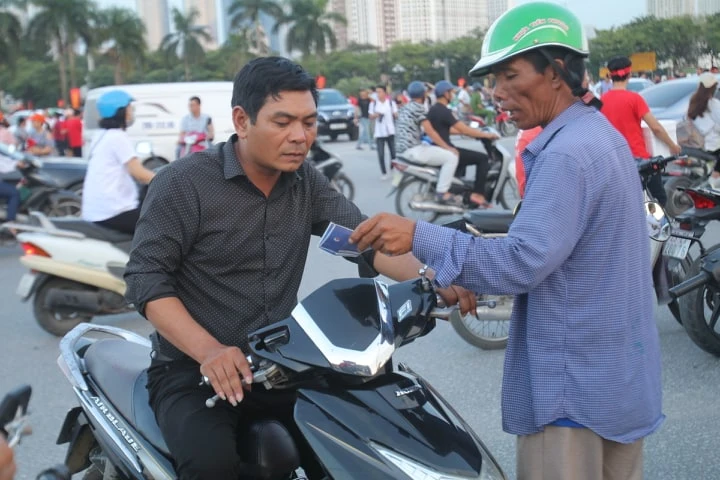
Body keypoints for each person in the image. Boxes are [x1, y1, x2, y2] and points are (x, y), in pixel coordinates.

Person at [350, 3, 662, 480]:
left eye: (510, 76)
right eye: (494, 79)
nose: (497, 92)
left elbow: (521, 261)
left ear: (556, 71)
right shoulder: (597, 135)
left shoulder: (567, 153)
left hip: (572, 388)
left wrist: (417, 234)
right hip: (614, 378)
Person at [124, 57, 474, 480]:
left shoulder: (306, 183)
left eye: (309, 123)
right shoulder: (184, 183)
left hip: (282, 362)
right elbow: (146, 280)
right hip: (195, 370)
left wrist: (433, 278)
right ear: (242, 120)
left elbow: (364, 241)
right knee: (212, 467)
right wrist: (209, 351)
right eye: (283, 122)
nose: (299, 136)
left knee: (359, 444)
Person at [601, 56, 681, 206]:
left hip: (614, 162)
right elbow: (656, 128)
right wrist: (673, 146)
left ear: (610, 76)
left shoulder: (602, 100)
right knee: (659, 200)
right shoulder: (634, 99)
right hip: (639, 161)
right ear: (629, 75)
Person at [81, 90, 155, 234]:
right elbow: (138, 173)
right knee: (162, 224)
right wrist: (166, 180)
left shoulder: (100, 135)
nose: (131, 111)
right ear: (120, 111)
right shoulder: (117, 137)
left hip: (95, 211)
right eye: (129, 108)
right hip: (113, 212)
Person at [427, 80, 498, 207]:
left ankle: (461, 192)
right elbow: (463, 129)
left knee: (465, 158)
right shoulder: (443, 111)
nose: (453, 95)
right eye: (451, 92)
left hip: (438, 148)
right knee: (482, 158)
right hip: (446, 149)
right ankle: (478, 194)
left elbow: (448, 129)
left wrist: (471, 133)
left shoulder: (434, 109)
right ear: (445, 94)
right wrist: (485, 135)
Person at [395, 81, 460, 204]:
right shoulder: (419, 108)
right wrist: (448, 147)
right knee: (451, 157)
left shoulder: (405, 108)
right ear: (424, 94)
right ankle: (442, 192)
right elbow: (431, 132)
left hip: (402, 151)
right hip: (412, 150)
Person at [687, 72, 720, 182]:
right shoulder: (713, 103)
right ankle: (715, 175)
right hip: (713, 145)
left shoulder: (693, 101)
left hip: (698, 144)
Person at [369, 85, 398, 179]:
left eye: (380, 92)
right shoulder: (373, 104)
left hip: (390, 130)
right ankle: (384, 172)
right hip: (379, 132)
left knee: (393, 153)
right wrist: (376, 115)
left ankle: (392, 168)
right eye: (376, 92)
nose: (378, 94)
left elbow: (396, 114)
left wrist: (395, 114)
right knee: (381, 154)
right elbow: (370, 116)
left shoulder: (391, 103)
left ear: (385, 93)